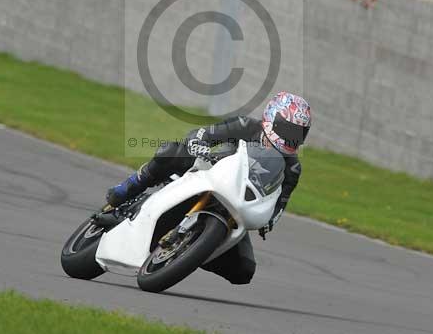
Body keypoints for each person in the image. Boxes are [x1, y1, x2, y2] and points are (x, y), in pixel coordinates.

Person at [106, 92, 312, 285]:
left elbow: (281, 201)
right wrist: (198, 143)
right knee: (172, 152)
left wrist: (270, 221)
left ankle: (193, 249)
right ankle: (129, 187)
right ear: (271, 118)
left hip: (237, 201)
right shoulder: (246, 126)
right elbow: (204, 133)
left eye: (298, 133)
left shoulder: (292, 167)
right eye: (287, 129)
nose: (291, 137)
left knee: (244, 271)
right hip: (207, 171)